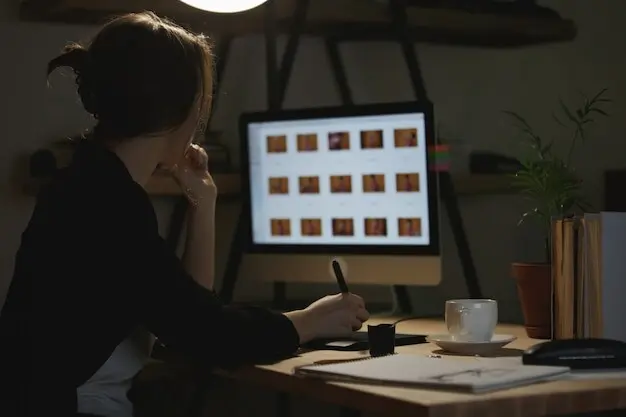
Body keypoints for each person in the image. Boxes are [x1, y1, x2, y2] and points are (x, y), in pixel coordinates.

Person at [0, 12, 369, 417]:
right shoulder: (107, 204)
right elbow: (205, 333)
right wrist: (309, 321)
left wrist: (201, 202)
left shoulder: (89, 183)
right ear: (182, 111)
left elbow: (187, 312)